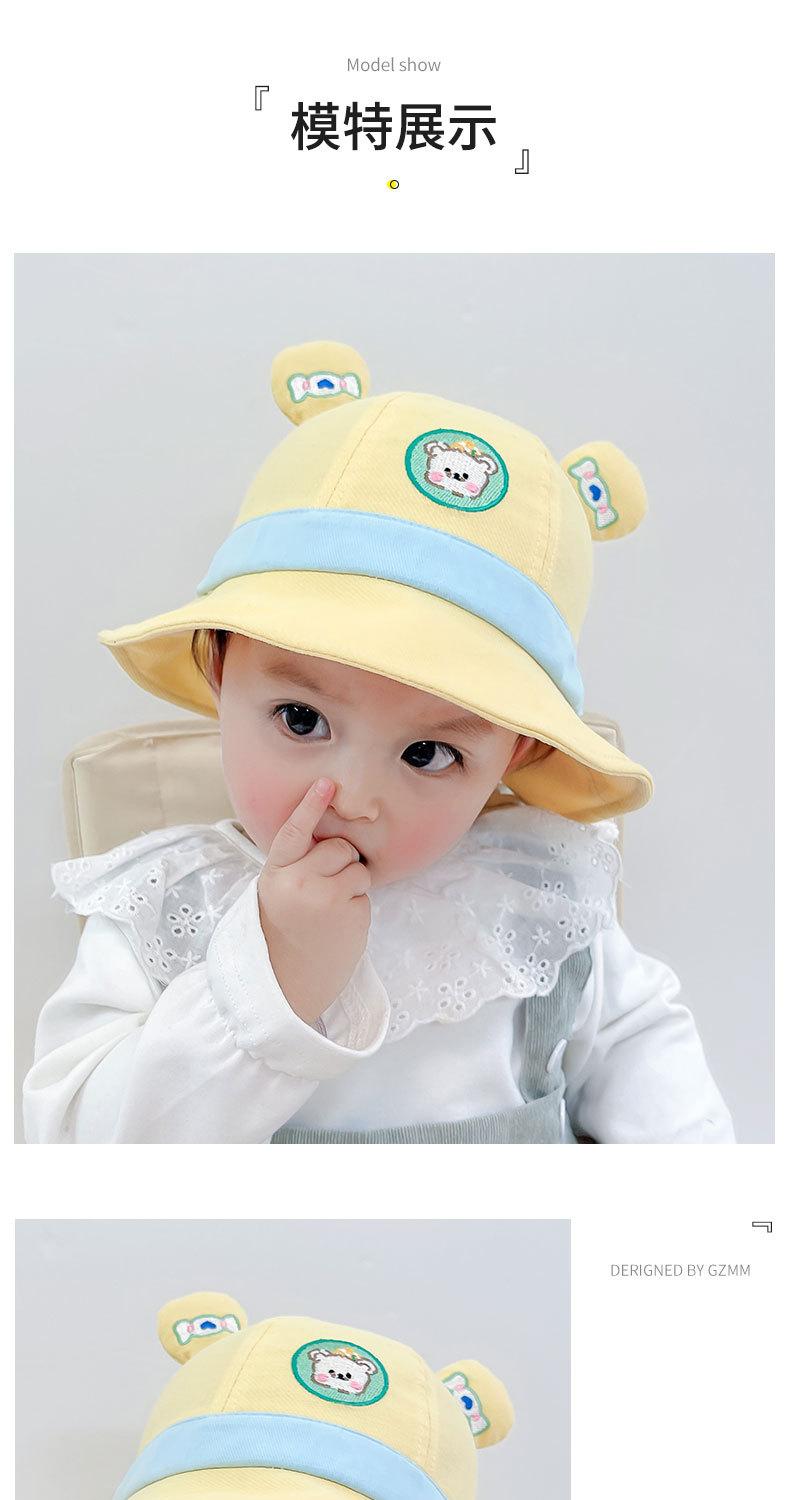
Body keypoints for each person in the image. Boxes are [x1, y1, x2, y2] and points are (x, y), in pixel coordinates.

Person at [23, 339, 734, 1144]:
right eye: (301, 719)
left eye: (429, 754)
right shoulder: (169, 911)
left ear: (519, 754)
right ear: (219, 668)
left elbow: (666, 1098)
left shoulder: (540, 907)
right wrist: (268, 979)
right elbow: (74, 1146)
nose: (355, 799)